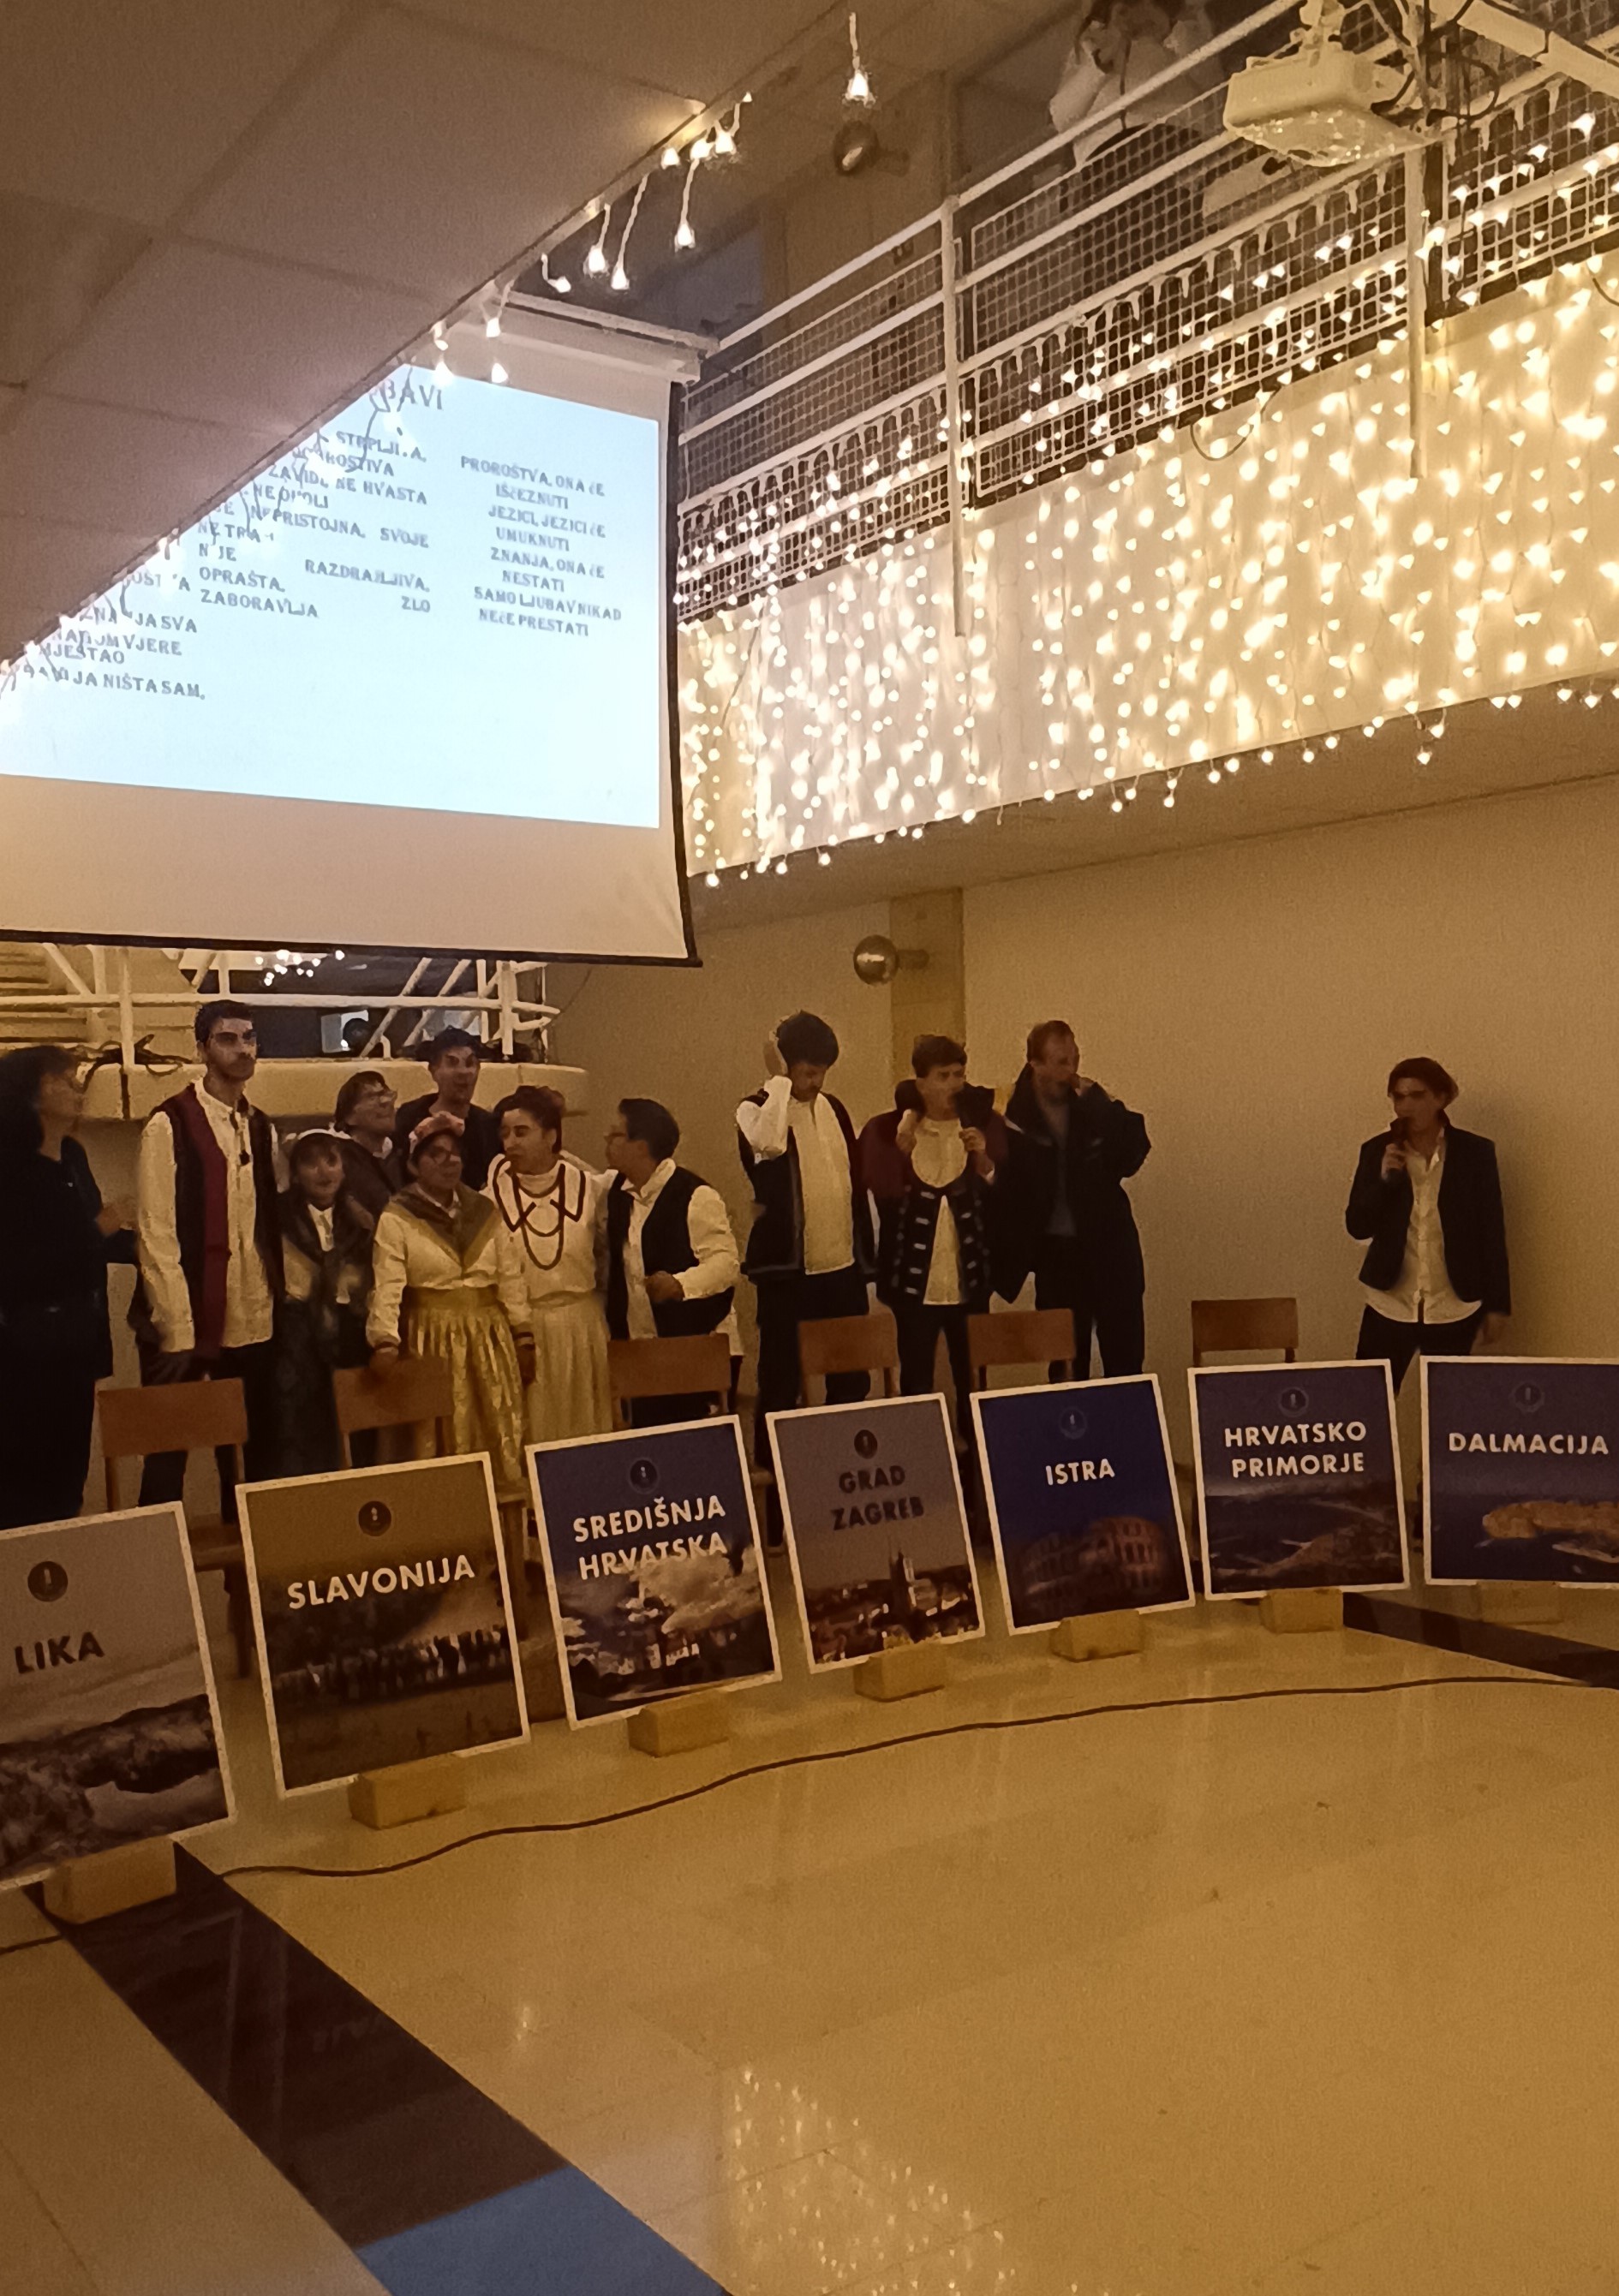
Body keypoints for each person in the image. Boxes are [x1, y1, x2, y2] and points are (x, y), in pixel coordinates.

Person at [133, 999, 283, 1507]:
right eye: (228, 1039)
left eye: (250, 1038)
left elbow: (267, 1225)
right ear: (202, 1049)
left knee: (250, 1460)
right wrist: (178, 1331)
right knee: (167, 1459)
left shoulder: (262, 1127)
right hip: (184, 1315)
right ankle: (155, 1557)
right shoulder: (168, 1124)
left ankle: (249, 1558)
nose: (243, 1049)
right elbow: (156, 1234)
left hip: (253, 1316)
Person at [0, 1047, 136, 1530]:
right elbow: (19, 1265)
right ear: (31, 1092)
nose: (78, 1089)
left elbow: (92, 1243)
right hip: (26, 1351)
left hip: (79, 1341)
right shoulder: (10, 1168)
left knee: (68, 1478)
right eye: (64, 1078)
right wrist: (98, 1229)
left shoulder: (74, 1157)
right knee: (25, 1485)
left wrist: (149, 1248)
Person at [367, 1115, 532, 1502]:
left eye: (455, 1153)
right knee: (437, 1433)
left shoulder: (484, 1211)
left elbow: (510, 1276)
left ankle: (501, 1528)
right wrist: (385, 1341)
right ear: (414, 1164)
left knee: (496, 1428)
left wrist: (523, 1333)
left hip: (489, 1340)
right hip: (432, 1340)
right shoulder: (398, 1217)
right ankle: (448, 1521)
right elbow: (387, 1283)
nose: (449, 1161)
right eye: (436, 1155)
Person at [737, 1010, 875, 1465]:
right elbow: (770, 1146)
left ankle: (842, 1471)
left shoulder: (835, 1109)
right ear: (784, 1064)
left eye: (822, 1073)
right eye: (807, 1072)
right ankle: (777, 1490)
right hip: (788, 1275)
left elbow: (853, 1182)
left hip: (841, 1271)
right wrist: (779, 1081)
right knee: (780, 1383)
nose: (815, 1082)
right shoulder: (754, 1109)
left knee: (852, 1380)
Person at [859, 1037, 1006, 1438]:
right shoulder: (888, 1130)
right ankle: (922, 1461)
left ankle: (977, 1468)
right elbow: (879, 1193)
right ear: (921, 1083)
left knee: (972, 1383)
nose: (954, 1084)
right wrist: (900, 1145)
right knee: (916, 1383)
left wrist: (985, 1161)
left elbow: (1007, 1198)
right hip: (913, 1289)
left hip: (969, 1284)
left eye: (959, 1074)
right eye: (943, 1076)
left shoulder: (984, 1125)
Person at [997, 1020, 1150, 1378]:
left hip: (1110, 1249)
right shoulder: (1014, 1115)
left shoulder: (1094, 1103)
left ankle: (1126, 1415)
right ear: (1035, 1064)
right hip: (1058, 1259)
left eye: (1075, 1058)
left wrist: (1100, 1106)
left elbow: (1133, 1155)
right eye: (1061, 1061)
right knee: (1067, 1367)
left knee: (1125, 1361)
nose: (1071, 1069)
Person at [1347, 1058, 1510, 1393]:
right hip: (1390, 1303)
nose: (1405, 1105)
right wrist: (1383, 1181)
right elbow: (1357, 1226)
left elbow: (1491, 1231)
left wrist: (1498, 1305)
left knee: (1448, 1407)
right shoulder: (1377, 1150)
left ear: (1441, 1098)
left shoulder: (1474, 1153)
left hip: (1453, 1304)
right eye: (1398, 1096)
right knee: (1369, 1401)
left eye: (1417, 1095)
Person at [600, 1098, 740, 1425]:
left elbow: (726, 1264)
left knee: (694, 1441)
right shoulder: (617, 1192)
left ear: (641, 1146)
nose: (607, 1141)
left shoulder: (696, 1196)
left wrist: (680, 1284)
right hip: (642, 1350)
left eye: (616, 1135)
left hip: (696, 1346)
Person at [487, 1085, 611, 1445]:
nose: (510, 1143)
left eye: (521, 1132)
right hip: (525, 1330)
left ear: (551, 1136)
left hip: (582, 1326)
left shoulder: (591, 1188)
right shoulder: (490, 1198)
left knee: (586, 1427)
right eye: (505, 1134)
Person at [267, 1130, 374, 1480]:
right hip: (296, 1338)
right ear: (296, 1173)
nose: (324, 1172)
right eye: (311, 1163)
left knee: (359, 1432)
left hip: (351, 1335)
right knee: (301, 1432)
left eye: (331, 1161)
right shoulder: (277, 1219)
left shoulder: (361, 1222)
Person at [394, 1028, 501, 1190]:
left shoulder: (489, 1125)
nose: (463, 1072)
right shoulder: (409, 1116)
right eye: (452, 1063)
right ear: (433, 1071)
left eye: (470, 1063)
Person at [332, 1069, 403, 1220]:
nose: (385, 1102)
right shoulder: (340, 1161)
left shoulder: (403, 1154)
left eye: (386, 1094)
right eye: (372, 1097)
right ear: (349, 1117)